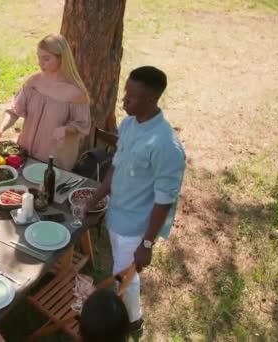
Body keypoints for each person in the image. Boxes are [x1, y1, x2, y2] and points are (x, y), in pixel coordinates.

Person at [85, 66, 186, 333]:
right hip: (115, 216)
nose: (123, 101)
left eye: (132, 96)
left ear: (152, 99)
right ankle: (132, 316)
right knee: (125, 274)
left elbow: (164, 200)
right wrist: (96, 197)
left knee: (122, 278)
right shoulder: (128, 124)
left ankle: (131, 322)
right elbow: (116, 166)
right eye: (125, 93)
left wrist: (147, 243)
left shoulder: (166, 146)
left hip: (136, 228)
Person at [0, 33, 91, 170]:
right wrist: (1, 128)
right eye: (39, 57)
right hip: (25, 155)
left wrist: (66, 129)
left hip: (53, 162)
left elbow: (82, 125)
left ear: (61, 58)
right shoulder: (33, 82)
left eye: (46, 59)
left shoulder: (75, 93)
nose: (40, 63)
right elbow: (15, 110)